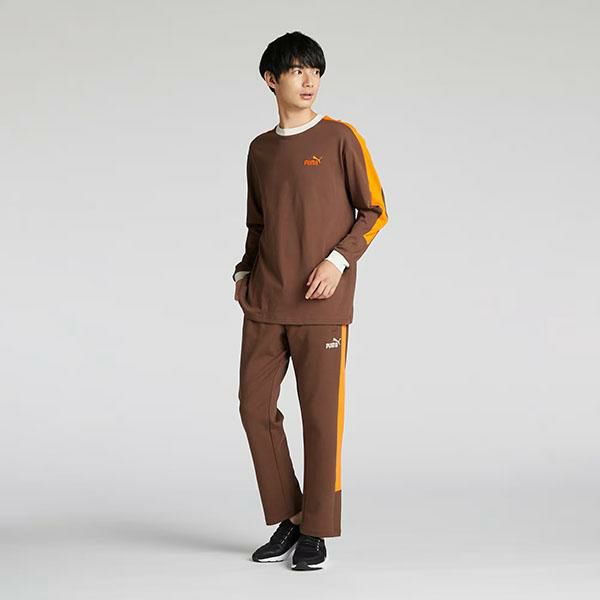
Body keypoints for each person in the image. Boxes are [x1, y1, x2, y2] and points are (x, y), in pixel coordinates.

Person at [232, 30, 388, 571]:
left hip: (322, 306)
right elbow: (257, 223)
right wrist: (243, 272)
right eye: (298, 70)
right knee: (254, 408)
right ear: (271, 79)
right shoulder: (260, 149)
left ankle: (316, 529)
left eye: (315, 71)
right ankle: (290, 516)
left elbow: (375, 211)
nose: (309, 81)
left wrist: (337, 261)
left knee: (320, 419)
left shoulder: (341, 137)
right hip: (266, 301)